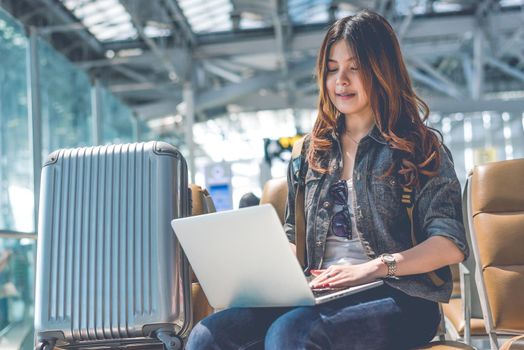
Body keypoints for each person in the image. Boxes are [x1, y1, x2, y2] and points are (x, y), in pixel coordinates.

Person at [185, 10, 468, 350]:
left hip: (400, 296)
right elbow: (295, 236)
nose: (340, 81)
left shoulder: (420, 146)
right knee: (208, 336)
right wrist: (264, 266)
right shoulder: (309, 152)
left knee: (292, 334)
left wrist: (374, 268)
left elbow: (450, 243)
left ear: (382, 70)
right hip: (319, 289)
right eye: (332, 69)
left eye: (354, 68)